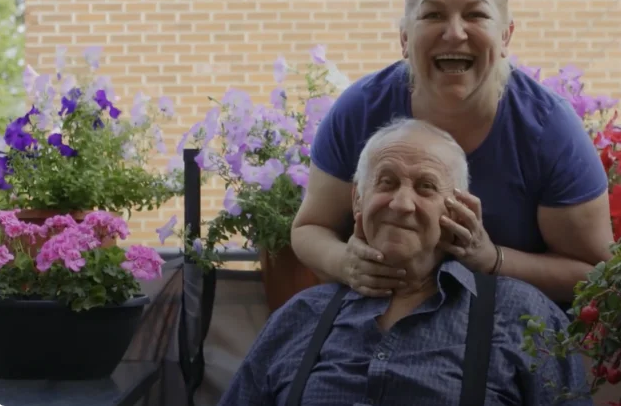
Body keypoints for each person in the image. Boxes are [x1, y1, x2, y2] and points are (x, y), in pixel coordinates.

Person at [291, 0, 613, 306]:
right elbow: (309, 228)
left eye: (476, 14)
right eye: (433, 14)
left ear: (505, 36)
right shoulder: (361, 111)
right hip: (376, 326)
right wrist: (344, 263)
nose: (455, 33)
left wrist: (492, 260)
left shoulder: (548, 130)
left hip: (509, 338)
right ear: (404, 38)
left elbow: (595, 273)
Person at [219, 119, 591, 406]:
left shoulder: (523, 318)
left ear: (460, 209)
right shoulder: (300, 318)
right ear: (358, 201)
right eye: (386, 182)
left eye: (426, 186)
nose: (401, 203)